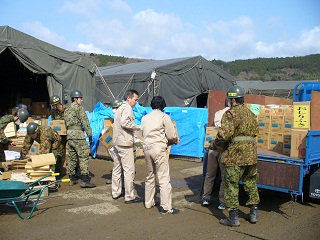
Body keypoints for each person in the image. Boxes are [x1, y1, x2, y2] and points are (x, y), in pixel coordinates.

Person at [211, 85, 259, 227]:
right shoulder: (251, 114)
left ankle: (233, 218)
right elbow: (256, 131)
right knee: (251, 183)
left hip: (235, 156)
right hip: (251, 155)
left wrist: (215, 145)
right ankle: (253, 213)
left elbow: (224, 134)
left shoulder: (230, 114)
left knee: (231, 185)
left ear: (232, 100)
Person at [141, 96, 180, 214]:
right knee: (163, 177)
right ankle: (166, 207)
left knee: (150, 175)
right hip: (158, 148)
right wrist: (176, 140)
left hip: (147, 147)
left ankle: (148, 202)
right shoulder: (164, 117)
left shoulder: (145, 118)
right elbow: (171, 135)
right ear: (163, 106)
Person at [112, 89, 141, 203]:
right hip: (125, 144)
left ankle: (116, 192)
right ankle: (129, 196)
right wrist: (137, 127)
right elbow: (125, 123)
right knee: (129, 170)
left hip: (117, 143)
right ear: (128, 98)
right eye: (135, 100)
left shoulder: (119, 108)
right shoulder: (127, 108)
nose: (136, 102)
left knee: (117, 169)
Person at [202, 98, 230, 210]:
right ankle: (222, 201)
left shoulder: (218, 113)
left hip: (213, 147)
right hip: (224, 148)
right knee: (224, 176)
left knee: (210, 174)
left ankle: (206, 198)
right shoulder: (232, 114)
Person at [64, 90, 95, 188]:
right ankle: (85, 180)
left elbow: (65, 124)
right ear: (75, 99)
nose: (82, 100)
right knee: (83, 156)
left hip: (70, 136)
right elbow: (85, 121)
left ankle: (72, 178)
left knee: (72, 157)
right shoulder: (79, 109)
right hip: (78, 136)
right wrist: (89, 134)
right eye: (80, 98)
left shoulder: (67, 110)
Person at [105, 98, 123, 184]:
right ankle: (117, 179)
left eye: (115, 108)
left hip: (122, 143)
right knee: (116, 161)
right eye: (113, 108)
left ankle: (121, 179)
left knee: (121, 162)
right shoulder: (115, 119)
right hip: (115, 143)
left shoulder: (123, 117)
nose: (113, 110)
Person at [49, 95, 68, 174]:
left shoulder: (66, 110)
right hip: (58, 135)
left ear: (58, 104)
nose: (53, 107)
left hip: (67, 133)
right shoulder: (53, 112)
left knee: (70, 151)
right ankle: (59, 167)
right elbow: (54, 122)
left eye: (54, 105)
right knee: (59, 150)